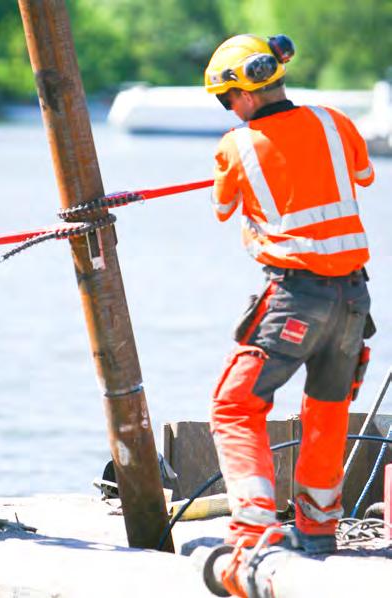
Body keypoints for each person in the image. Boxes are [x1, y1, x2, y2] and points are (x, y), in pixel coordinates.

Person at [204, 34, 375, 594]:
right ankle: (317, 530)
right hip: (354, 299)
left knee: (234, 404)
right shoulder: (335, 122)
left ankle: (253, 531)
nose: (229, 111)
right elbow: (361, 177)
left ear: (242, 95)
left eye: (226, 100)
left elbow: (225, 209)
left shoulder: (238, 145)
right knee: (327, 406)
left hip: (297, 297)